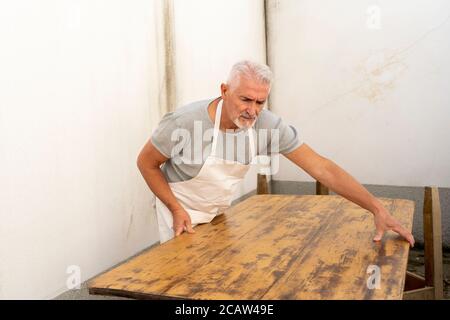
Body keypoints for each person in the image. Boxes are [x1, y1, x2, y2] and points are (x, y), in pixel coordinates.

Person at [137, 60, 415, 247]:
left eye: (260, 102)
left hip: (217, 216)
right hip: (175, 215)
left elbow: (323, 169)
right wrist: (176, 208)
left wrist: (376, 208)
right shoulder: (184, 122)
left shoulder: (267, 125)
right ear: (224, 91)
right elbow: (147, 164)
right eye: (245, 99)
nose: (252, 110)